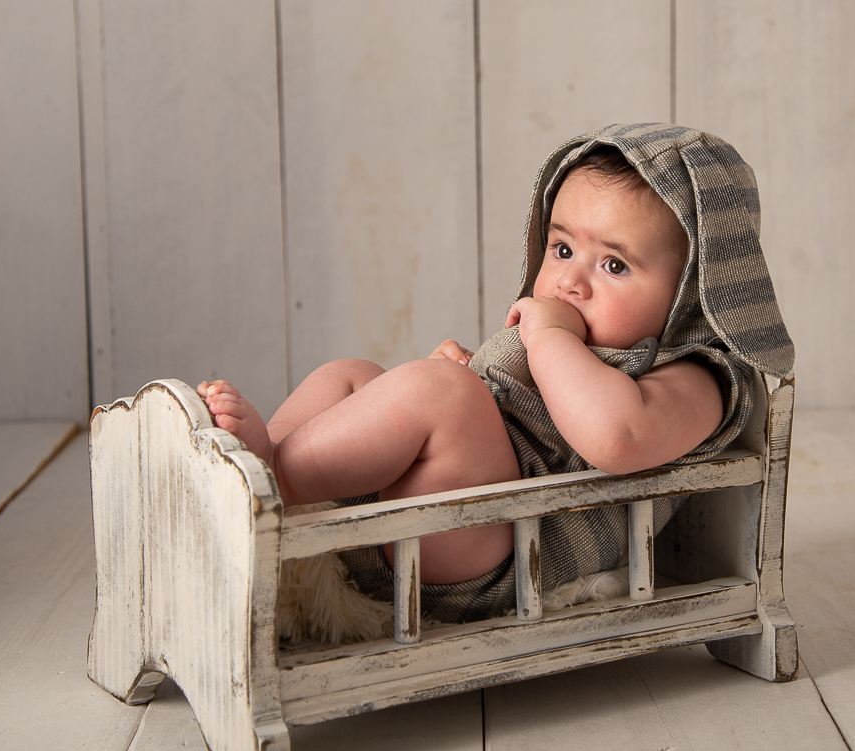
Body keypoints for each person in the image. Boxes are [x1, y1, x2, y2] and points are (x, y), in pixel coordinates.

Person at [199, 123, 794, 624]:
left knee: (443, 396)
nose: (570, 281)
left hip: (503, 555)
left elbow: (615, 436)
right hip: (441, 514)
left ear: (694, 288)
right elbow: (511, 422)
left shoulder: (695, 378)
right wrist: (463, 385)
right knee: (355, 374)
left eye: (613, 264)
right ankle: (263, 459)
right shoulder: (575, 336)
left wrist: (531, 350)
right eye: (561, 250)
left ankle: (273, 481)